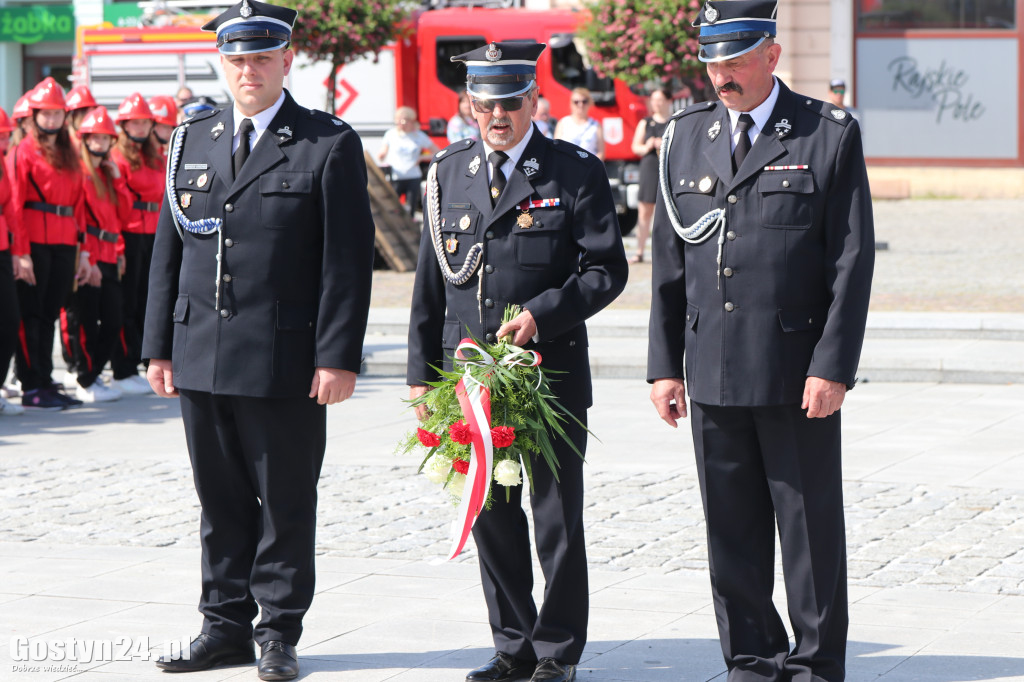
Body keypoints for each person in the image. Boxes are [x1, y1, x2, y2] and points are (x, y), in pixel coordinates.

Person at [142, 0, 375, 678]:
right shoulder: (194, 138)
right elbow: (169, 251)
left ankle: (277, 632)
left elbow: (346, 262)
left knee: (286, 503)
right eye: (237, 58)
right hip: (200, 354)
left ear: (286, 60)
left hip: (284, 358)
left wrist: (337, 356)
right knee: (218, 502)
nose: (248, 69)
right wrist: (159, 344)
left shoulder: (325, 142)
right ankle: (222, 627)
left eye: (261, 57)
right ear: (224, 62)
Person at [647, 3, 875, 681]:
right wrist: (664, 366)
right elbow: (668, 261)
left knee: (808, 534)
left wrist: (832, 365)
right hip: (712, 367)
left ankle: (813, 666)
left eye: (736, 59)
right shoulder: (684, 136)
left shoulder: (824, 132)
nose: (722, 75)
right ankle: (750, 661)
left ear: (772, 56)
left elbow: (851, 260)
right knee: (732, 534)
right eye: (712, 60)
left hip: (793, 371)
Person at [407, 42, 628, 682]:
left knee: (556, 518)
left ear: (535, 100)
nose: (498, 114)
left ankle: (557, 651)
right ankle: (513, 645)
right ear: (470, 105)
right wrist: (423, 377)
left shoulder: (572, 172)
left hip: (547, 373)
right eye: (486, 103)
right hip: (468, 381)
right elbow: (430, 284)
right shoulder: (447, 173)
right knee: (489, 514)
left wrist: (543, 315)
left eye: (511, 101)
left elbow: (605, 270)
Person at [9, 77, 89, 410]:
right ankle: (31, 384)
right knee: (33, 315)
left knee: (51, 314)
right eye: (47, 114)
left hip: (63, 240)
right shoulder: (23, 151)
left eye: (58, 114)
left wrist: (84, 251)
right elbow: (14, 205)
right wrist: (22, 253)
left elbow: (80, 203)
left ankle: (43, 379)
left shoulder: (70, 151)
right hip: (35, 241)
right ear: (35, 115)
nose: (53, 120)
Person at [64, 107, 130, 403]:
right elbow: (78, 217)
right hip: (88, 253)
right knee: (86, 320)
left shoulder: (107, 172)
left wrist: (117, 179)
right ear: (85, 139)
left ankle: (93, 374)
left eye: (105, 139)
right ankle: (85, 378)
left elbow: (123, 215)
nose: (100, 144)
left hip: (108, 252)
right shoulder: (79, 172)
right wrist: (85, 256)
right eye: (95, 138)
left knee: (114, 318)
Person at [110, 93, 164, 396]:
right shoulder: (117, 156)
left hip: (154, 233)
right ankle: (123, 366)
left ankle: (146, 363)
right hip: (129, 233)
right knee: (127, 302)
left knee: (149, 301)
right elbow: (117, 201)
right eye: (135, 122)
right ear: (125, 124)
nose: (141, 127)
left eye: (145, 122)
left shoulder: (156, 156)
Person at [0, 106, 26, 415]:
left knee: (9, 321)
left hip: (3, 249)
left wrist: (19, 252)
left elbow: (11, 208)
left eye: (5, 136)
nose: (3, 142)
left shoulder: (3, 163)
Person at [628, 88, 672, 263]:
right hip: (650, 167)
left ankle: (668, 252)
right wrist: (647, 146)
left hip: (668, 167)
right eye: (654, 100)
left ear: (668, 101)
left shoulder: (675, 121)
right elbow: (635, 147)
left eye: (660, 100)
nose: (656, 103)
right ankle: (639, 251)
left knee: (669, 211)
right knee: (644, 211)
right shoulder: (646, 122)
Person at [376, 106, 438, 216]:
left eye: (405, 121)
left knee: (411, 208)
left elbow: (436, 152)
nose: (402, 124)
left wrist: (421, 158)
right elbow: (383, 152)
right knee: (393, 207)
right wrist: (380, 157)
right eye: (399, 121)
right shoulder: (391, 134)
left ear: (411, 121)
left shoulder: (418, 136)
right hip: (396, 175)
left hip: (413, 175)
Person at [554, 87, 603, 160]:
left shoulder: (596, 125)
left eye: (584, 101)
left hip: (588, 168)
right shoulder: (563, 123)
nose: (581, 105)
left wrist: (593, 168)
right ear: (571, 103)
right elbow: (556, 149)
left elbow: (601, 152)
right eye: (576, 102)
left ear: (589, 103)